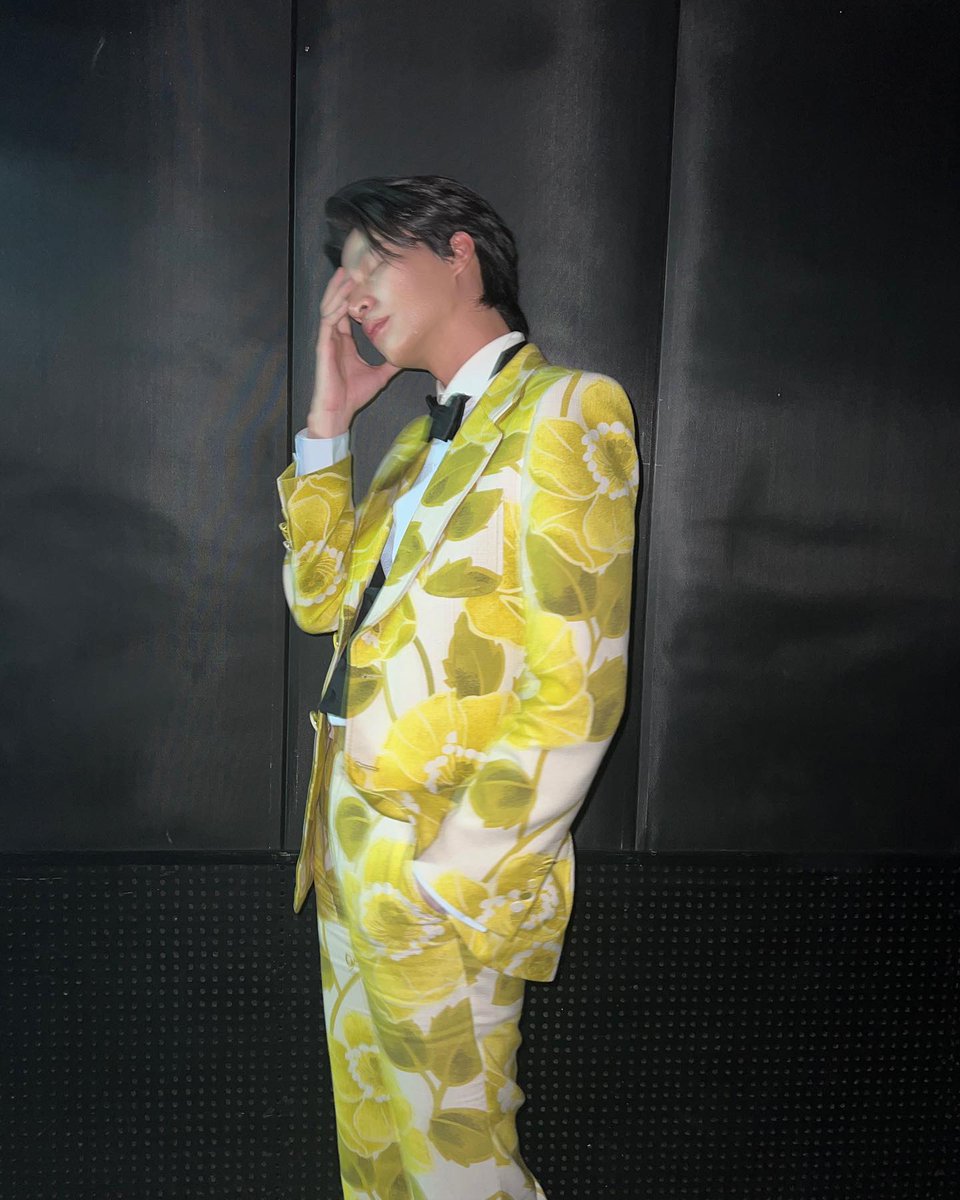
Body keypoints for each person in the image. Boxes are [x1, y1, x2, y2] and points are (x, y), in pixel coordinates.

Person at [277, 174, 640, 1200]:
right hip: (345, 846)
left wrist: (449, 878)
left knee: (460, 1171)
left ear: (459, 253)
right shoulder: (407, 448)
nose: (349, 292)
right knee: (375, 1156)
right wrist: (331, 418)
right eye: (341, 271)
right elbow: (315, 600)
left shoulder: (571, 408)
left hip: (445, 869)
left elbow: (580, 688)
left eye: (372, 258)